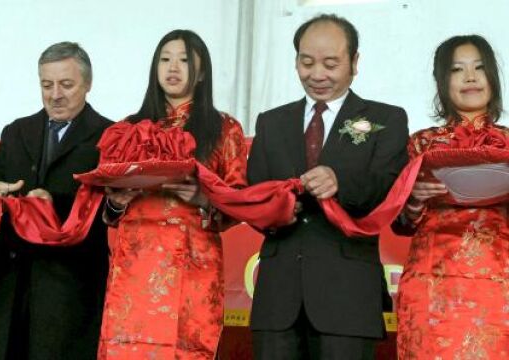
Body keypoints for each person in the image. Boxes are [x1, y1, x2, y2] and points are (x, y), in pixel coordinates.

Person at [247, 14, 409, 359]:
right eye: (307, 62)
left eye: (330, 63)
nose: (317, 74)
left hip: (347, 297)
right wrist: (277, 207)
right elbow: (254, 193)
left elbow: (391, 188)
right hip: (278, 300)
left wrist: (341, 182)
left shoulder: (387, 119)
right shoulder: (271, 122)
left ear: (355, 62)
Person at [0, 42, 112, 360]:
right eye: (46, 84)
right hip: (5, 284)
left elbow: (113, 209)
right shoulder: (17, 131)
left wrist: (54, 205)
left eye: (66, 85)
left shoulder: (109, 136)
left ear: (88, 84)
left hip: (67, 288)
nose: (55, 94)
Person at [98, 29, 248, 359]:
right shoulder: (127, 128)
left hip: (192, 261)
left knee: (186, 348)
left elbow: (239, 200)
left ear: (203, 71)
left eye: (184, 60)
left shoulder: (224, 128)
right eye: (165, 59)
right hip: (136, 263)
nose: (173, 67)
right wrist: (117, 201)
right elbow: (105, 204)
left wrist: (203, 198)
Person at [394, 35, 509, 358]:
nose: (470, 77)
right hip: (433, 284)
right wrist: (413, 198)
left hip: (500, 284)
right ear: (442, 81)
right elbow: (400, 222)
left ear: (493, 78)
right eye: (458, 69)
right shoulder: (420, 144)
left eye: (480, 68)